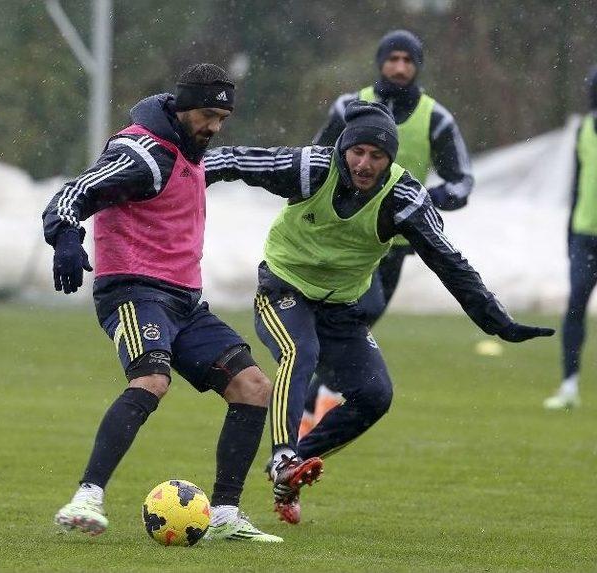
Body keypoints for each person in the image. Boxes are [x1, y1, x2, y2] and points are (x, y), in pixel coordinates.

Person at [205, 100, 555, 524]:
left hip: (341, 308)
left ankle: (292, 469)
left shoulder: (404, 199)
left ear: (391, 159)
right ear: (343, 149)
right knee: (301, 351)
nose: (364, 163)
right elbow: (233, 160)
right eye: (357, 152)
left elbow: (449, 263)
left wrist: (497, 322)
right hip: (283, 288)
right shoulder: (312, 167)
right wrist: (173, 181)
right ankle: (283, 456)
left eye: (377, 155)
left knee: (375, 396)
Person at [42, 63, 283, 543]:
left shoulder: (193, 152)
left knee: (253, 386)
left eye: (222, 119)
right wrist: (66, 238)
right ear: (184, 106)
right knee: (152, 378)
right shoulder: (142, 155)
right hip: (132, 290)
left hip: (185, 301)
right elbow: (74, 192)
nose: (214, 127)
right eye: (208, 115)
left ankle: (225, 514)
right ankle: (87, 496)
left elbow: (241, 159)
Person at [304, 29, 475, 430]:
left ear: (418, 66)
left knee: (359, 320)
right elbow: (313, 161)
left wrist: (417, 202)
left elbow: (462, 181)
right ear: (380, 61)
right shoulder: (349, 106)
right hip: (341, 238)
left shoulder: (435, 117)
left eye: (408, 60)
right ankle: (315, 406)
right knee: (347, 321)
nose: (400, 67)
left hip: (393, 245)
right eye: (393, 59)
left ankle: (312, 405)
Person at [544, 66, 597, 410]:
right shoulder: (584, 128)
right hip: (584, 234)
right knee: (575, 305)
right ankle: (569, 385)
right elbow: (578, 184)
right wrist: (568, 234)